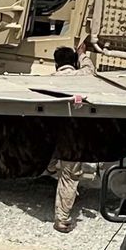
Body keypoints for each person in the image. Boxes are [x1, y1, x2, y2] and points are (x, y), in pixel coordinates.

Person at [44, 45, 88, 233]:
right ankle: (61, 220)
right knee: (70, 176)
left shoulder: (48, 81)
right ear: (74, 63)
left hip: (50, 134)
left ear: (56, 64)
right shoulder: (84, 76)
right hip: (74, 136)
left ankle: (49, 167)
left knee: (48, 158)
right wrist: (82, 54)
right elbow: (89, 68)